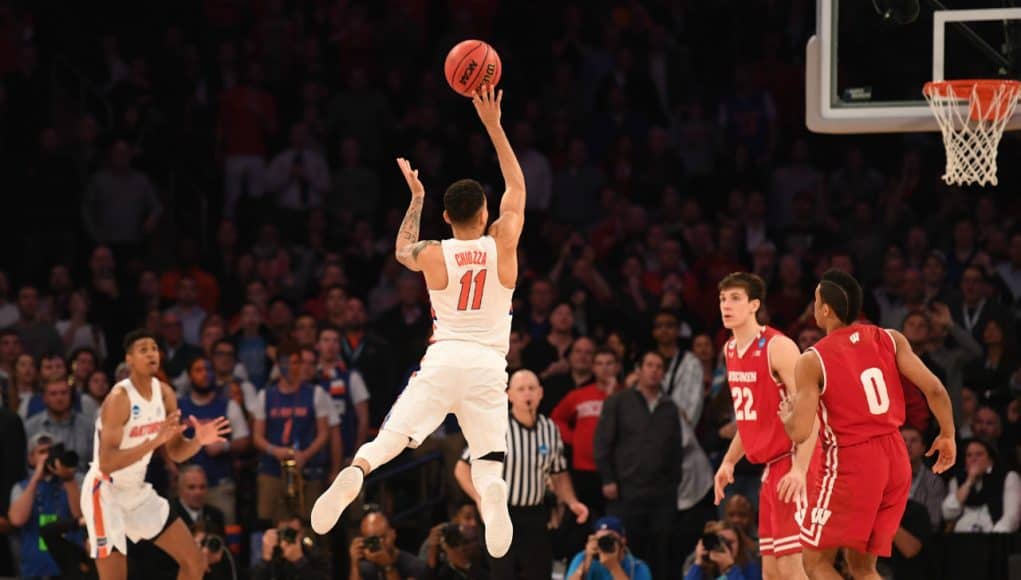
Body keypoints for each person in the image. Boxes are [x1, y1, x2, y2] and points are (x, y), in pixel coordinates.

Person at [311, 85, 525, 560]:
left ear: (446, 217)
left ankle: (357, 470)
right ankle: (493, 497)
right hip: (488, 365)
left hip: (444, 357)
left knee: (389, 440)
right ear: (486, 213)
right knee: (489, 462)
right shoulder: (503, 242)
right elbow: (517, 189)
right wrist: (493, 125)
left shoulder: (434, 253)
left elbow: (401, 249)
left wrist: (417, 196)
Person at [782, 269, 956, 580]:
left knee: (815, 562)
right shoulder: (891, 338)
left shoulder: (812, 360)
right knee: (862, 568)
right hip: (895, 456)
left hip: (852, 461)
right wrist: (948, 434)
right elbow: (935, 389)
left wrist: (787, 416)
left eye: (816, 300)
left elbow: (800, 431)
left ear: (825, 310)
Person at [80, 329, 232, 580]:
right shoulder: (119, 398)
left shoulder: (165, 394)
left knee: (195, 563)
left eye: (154, 348)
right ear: (129, 359)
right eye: (143, 350)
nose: (151, 353)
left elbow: (176, 451)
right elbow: (106, 464)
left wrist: (198, 442)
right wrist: (153, 442)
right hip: (106, 492)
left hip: (136, 490)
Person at [712, 272, 820, 580]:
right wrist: (729, 461)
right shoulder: (731, 351)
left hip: (796, 460)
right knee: (770, 572)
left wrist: (800, 469)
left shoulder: (778, 347)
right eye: (722, 299)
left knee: (792, 567)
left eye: (735, 298)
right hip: (771, 469)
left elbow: (811, 411)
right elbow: (750, 420)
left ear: (754, 305)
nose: (726, 305)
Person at [454, 369, 588, 578]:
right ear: (509, 395)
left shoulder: (549, 428)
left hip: (534, 513)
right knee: (503, 574)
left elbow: (558, 473)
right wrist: (480, 499)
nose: (527, 394)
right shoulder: (497, 426)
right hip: (501, 512)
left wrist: (572, 502)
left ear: (541, 393)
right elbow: (462, 468)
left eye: (532, 388)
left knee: (540, 572)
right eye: (521, 389)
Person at [593, 351, 683, 579]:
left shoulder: (669, 407)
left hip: (661, 493)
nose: (654, 370)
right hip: (626, 490)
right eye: (649, 365)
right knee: (629, 548)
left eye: (659, 367)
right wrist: (608, 478)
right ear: (639, 370)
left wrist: (673, 485)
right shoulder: (619, 402)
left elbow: (676, 449)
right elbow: (603, 442)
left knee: (662, 551)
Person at [8, 432, 83, 579]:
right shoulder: (21, 487)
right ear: (31, 458)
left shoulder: (74, 481)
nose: (48, 456)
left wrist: (68, 479)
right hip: (36, 571)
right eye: (42, 452)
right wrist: (35, 479)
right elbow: (16, 520)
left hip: (71, 569)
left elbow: (80, 516)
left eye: (52, 451)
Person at [941, 438, 1021, 533]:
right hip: (962, 539)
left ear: (990, 459)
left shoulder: (1008, 477)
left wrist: (993, 539)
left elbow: (1011, 518)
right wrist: (969, 481)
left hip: (995, 538)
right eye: (969, 455)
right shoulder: (957, 480)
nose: (973, 459)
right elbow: (948, 513)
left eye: (979, 454)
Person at [565, 516, 651, 580]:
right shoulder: (582, 558)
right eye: (600, 539)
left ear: (623, 541)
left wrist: (614, 567)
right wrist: (585, 563)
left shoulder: (637, 566)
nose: (605, 543)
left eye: (610, 538)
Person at [349, 510, 427, 580]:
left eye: (382, 537)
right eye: (372, 540)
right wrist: (354, 564)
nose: (380, 543)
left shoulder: (415, 566)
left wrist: (388, 567)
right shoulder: (364, 568)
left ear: (393, 534)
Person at [252, 514, 329, 580]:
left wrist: (299, 561)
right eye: (283, 533)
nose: (287, 538)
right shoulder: (273, 554)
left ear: (301, 533)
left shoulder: (312, 553)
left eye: (292, 533)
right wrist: (265, 559)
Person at [683, 520, 762, 580]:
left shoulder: (751, 568)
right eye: (721, 541)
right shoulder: (702, 569)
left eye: (730, 542)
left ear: (739, 544)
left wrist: (730, 568)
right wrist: (698, 563)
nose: (725, 547)